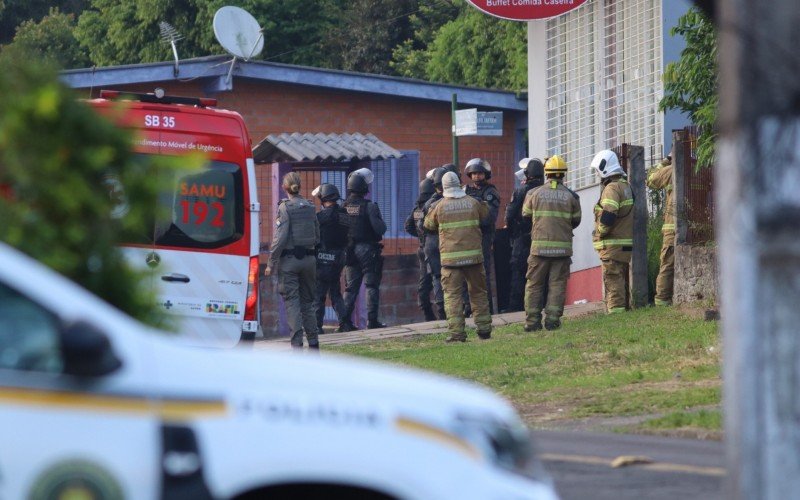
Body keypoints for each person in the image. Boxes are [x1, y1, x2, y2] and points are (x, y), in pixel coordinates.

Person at [424, 171, 492, 342]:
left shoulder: (438, 206)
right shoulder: (474, 202)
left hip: (450, 261)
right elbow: (486, 217)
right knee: (478, 293)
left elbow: (428, 225)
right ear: (460, 184)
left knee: (452, 296)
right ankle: (484, 330)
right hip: (474, 259)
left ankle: (457, 334)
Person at [521, 155, 581, 331]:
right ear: (563, 174)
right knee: (557, 285)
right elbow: (576, 221)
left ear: (546, 174)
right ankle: (552, 320)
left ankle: (532, 322)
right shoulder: (572, 197)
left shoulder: (533, 194)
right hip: (562, 251)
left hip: (539, 249)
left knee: (534, 284)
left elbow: (525, 215)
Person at [266, 172, 320, 349]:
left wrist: (271, 262)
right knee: (308, 302)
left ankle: (297, 344)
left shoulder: (285, 208)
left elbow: (280, 238)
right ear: (300, 186)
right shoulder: (310, 206)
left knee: (292, 303)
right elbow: (317, 236)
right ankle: (313, 342)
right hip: (310, 260)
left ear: (284, 187)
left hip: (289, 262)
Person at [341, 168, 388, 330]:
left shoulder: (343, 206)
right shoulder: (370, 207)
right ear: (364, 189)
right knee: (371, 285)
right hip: (368, 250)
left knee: (350, 288)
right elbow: (380, 229)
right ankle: (372, 321)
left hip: (348, 250)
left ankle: (344, 322)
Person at [590, 150, 634, 314]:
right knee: (620, 278)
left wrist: (600, 232)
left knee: (613, 278)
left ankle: (617, 312)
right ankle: (623, 309)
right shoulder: (625, 186)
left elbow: (609, 213)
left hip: (612, 245)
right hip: (624, 243)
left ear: (604, 167)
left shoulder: (611, 188)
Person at [504, 157, 545, 312]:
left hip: (522, 238)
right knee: (540, 274)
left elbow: (510, 215)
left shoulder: (521, 191)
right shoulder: (546, 190)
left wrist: (513, 231)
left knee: (519, 273)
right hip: (541, 238)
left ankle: (516, 309)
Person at [312, 183, 351, 332]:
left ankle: (317, 326)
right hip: (339, 257)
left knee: (319, 293)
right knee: (335, 291)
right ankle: (344, 323)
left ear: (323, 198)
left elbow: (314, 237)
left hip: (323, 258)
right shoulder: (344, 215)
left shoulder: (320, 217)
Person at [464, 158, 500, 314]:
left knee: (483, 272)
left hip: (483, 236)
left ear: (485, 174)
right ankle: (468, 307)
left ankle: (487, 309)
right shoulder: (465, 191)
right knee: (465, 271)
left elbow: (489, 218)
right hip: (467, 236)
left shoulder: (490, 192)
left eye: (479, 173)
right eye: (473, 173)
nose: (476, 176)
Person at [419, 166, 451, 321]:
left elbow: (420, 226)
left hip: (431, 244)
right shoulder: (458, 200)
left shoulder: (429, 203)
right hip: (451, 242)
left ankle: (442, 311)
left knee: (437, 277)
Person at [405, 177, 437, 321]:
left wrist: (420, 236)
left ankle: (427, 312)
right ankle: (443, 311)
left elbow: (408, 226)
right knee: (439, 279)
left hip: (423, 248)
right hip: (436, 248)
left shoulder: (417, 208)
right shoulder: (434, 204)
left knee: (424, 282)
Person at [646, 152, 675, 306]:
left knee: (668, 264)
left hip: (672, 226)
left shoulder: (671, 170)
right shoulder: (698, 167)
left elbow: (650, 179)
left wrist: (666, 160)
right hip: (696, 226)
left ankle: (662, 300)